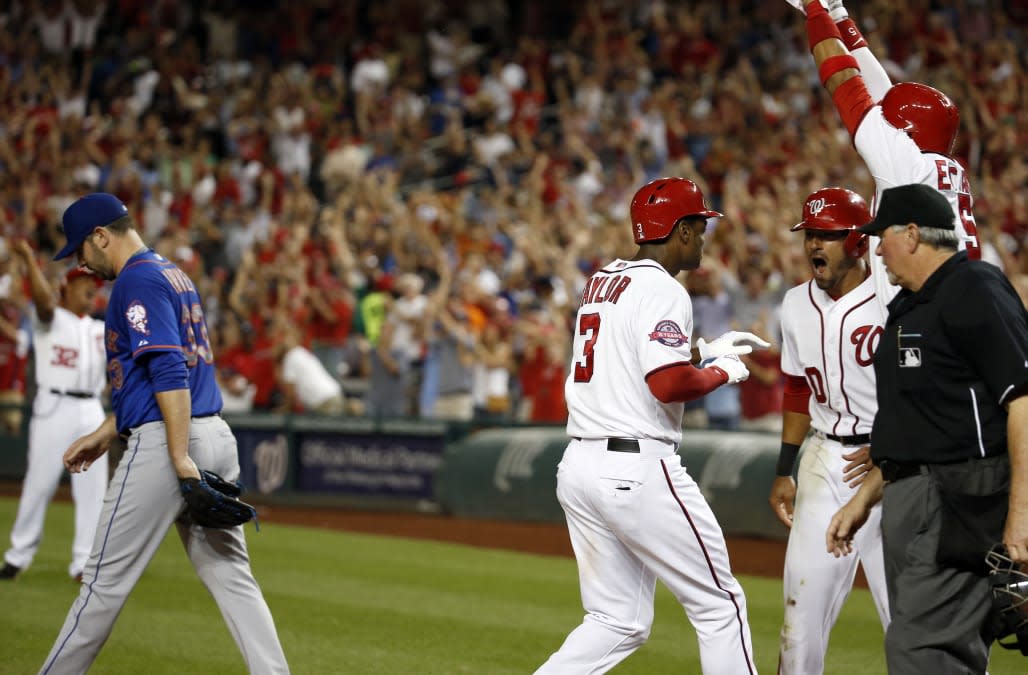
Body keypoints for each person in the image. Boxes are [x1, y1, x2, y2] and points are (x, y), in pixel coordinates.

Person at [40, 193, 290, 674]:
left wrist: (178, 457)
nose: (82, 264)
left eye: (81, 251)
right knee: (232, 575)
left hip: (170, 441)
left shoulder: (136, 280)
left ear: (101, 236)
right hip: (214, 433)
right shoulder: (173, 273)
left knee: (101, 584)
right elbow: (164, 372)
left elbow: (169, 369)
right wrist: (108, 430)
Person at [536, 177, 769, 675]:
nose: (704, 238)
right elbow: (666, 383)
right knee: (719, 604)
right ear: (680, 231)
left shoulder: (602, 279)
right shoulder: (665, 288)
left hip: (579, 464)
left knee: (617, 619)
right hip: (636, 465)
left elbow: (630, 357)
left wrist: (705, 352)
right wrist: (722, 372)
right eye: (699, 227)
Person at [825, 184, 1028, 674]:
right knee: (936, 654)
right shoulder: (908, 307)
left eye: (883, 235)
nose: (876, 248)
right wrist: (863, 498)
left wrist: (1021, 516)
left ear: (913, 234)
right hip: (910, 494)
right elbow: (914, 429)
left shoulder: (974, 286)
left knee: (921, 653)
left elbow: (1023, 401)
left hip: (962, 497)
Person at [787, 0, 983, 308]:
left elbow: (844, 83)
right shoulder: (931, 164)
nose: (883, 123)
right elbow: (881, 94)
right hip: (961, 303)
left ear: (903, 134)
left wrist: (814, 10)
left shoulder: (907, 168)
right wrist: (838, 15)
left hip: (934, 318)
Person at [768, 188, 889, 673]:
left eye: (830, 235)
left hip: (894, 464)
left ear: (858, 241)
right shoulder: (795, 304)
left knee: (911, 622)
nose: (816, 244)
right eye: (811, 235)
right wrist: (784, 469)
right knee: (799, 620)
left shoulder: (891, 297)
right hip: (826, 458)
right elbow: (797, 390)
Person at [1, 242, 107, 583]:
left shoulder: (100, 328)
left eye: (94, 284)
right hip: (54, 404)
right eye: (84, 282)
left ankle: (83, 563)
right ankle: (18, 555)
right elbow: (45, 303)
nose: (92, 287)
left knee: (92, 488)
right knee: (40, 482)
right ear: (67, 287)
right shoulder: (50, 318)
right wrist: (31, 259)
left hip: (91, 406)